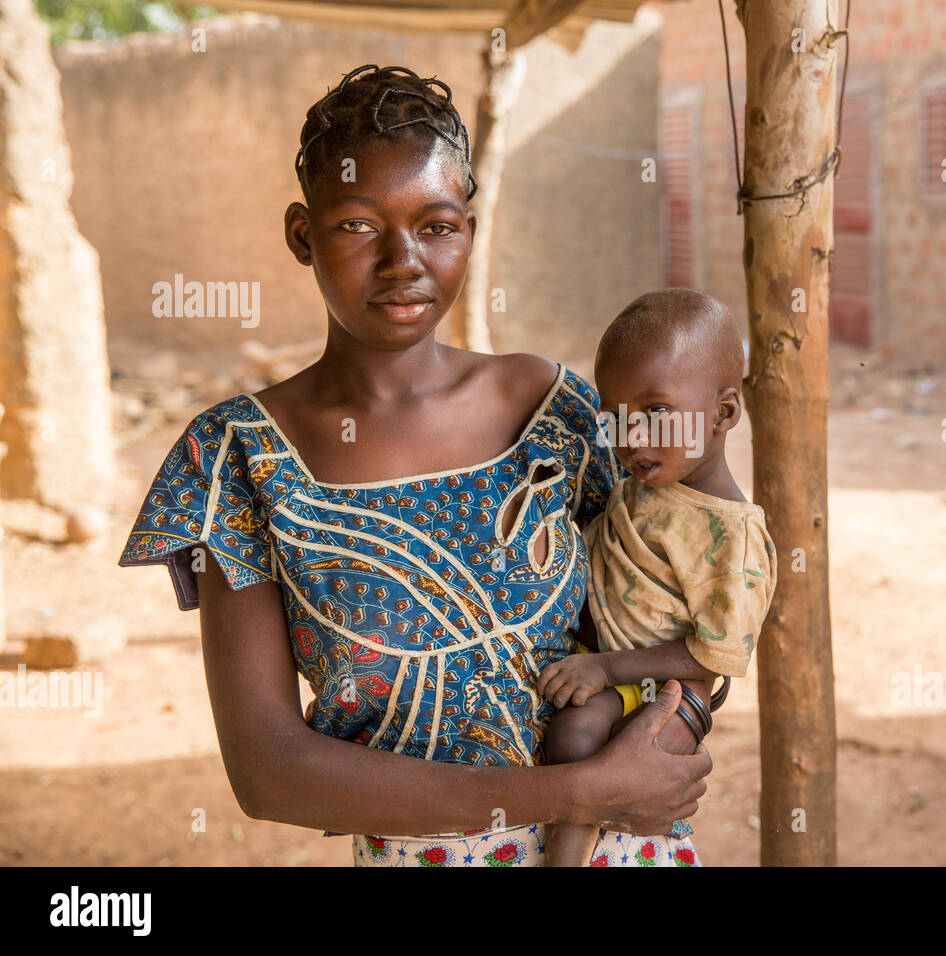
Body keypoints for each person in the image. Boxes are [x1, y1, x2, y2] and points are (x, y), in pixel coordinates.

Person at [117, 65, 711, 867]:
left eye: (437, 226)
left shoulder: (556, 413)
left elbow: (700, 605)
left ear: (470, 226)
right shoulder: (238, 460)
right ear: (302, 234)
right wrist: (577, 792)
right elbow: (268, 773)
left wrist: (670, 735)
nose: (404, 261)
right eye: (359, 226)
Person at [538, 289, 777, 866]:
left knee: (576, 740)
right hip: (617, 674)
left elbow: (716, 656)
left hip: (662, 693)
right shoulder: (647, 488)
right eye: (614, 418)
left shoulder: (731, 539)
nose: (631, 438)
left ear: (723, 413)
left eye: (656, 411)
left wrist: (605, 667)